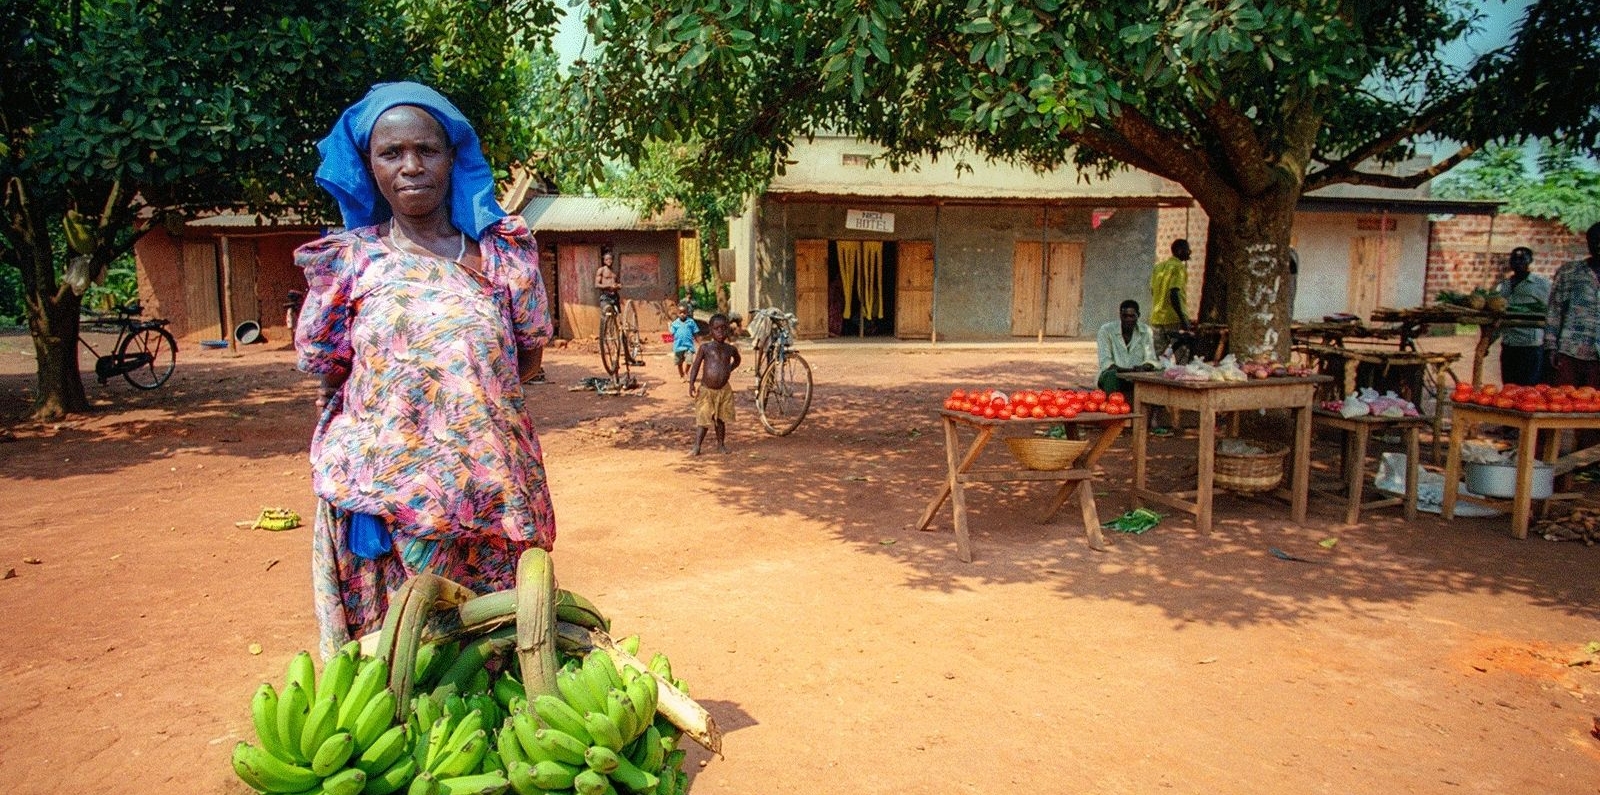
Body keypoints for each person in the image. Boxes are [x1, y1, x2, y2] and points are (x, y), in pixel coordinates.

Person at [295, 82, 556, 659]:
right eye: (391, 153)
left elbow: (528, 353)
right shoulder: (351, 261)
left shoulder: (500, 256)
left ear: (453, 158)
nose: (410, 166)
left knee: (489, 652)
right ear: (369, 166)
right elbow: (327, 366)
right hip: (391, 504)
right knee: (402, 657)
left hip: (490, 496)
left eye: (427, 150)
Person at [1543, 222, 1600, 391]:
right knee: (1564, 402)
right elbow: (1554, 311)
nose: (1599, 245)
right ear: (1587, 243)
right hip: (1570, 351)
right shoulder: (1569, 272)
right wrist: (1551, 347)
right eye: (1595, 241)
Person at [1495, 246, 1550, 386]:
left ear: (1530, 261)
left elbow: (1551, 310)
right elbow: (1498, 317)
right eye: (1514, 259)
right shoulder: (1504, 286)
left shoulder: (1541, 284)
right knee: (1509, 388)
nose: (1517, 262)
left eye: (1522, 259)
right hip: (1509, 345)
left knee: (1529, 390)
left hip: (1530, 346)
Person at [688, 313, 741, 455]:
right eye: (716, 328)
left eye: (724, 328)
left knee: (720, 420)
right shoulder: (705, 348)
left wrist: (729, 369)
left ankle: (721, 445)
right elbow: (696, 366)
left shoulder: (730, 349)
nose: (720, 331)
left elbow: (737, 360)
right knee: (703, 420)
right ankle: (697, 446)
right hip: (706, 391)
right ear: (710, 330)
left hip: (723, 391)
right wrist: (691, 383)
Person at [1096, 299, 1159, 407]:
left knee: (1161, 371)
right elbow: (1106, 362)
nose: (1128, 320)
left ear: (1138, 315)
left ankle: (1153, 415)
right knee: (1111, 375)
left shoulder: (1145, 331)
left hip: (1138, 376)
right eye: (1125, 316)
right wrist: (1128, 372)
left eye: (1132, 316)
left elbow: (1151, 358)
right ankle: (1113, 408)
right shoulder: (1106, 330)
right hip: (1115, 375)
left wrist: (1144, 367)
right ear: (1120, 315)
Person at [1149, 238, 1192, 359]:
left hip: (1157, 317)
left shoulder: (1158, 268)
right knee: (1182, 357)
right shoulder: (1179, 268)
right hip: (1174, 318)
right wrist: (1183, 318)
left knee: (1157, 358)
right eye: (1187, 250)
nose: (1189, 252)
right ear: (1179, 251)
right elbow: (1174, 292)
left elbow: (1152, 290)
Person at [669, 301, 699, 379]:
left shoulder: (691, 322)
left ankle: (686, 372)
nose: (682, 314)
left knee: (689, 361)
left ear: (687, 313)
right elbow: (672, 333)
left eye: (684, 312)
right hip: (678, 346)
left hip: (689, 346)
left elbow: (695, 332)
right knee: (679, 363)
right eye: (680, 313)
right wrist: (670, 327)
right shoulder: (675, 323)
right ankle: (681, 375)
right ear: (678, 313)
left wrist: (698, 341)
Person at [595, 249, 620, 316]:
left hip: (615, 296)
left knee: (616, 315)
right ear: (604, 261)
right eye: (607, 259)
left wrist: (618, 286)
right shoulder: (601, 270)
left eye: (610, 259)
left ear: (612, 260)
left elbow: (618, 283)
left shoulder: (615, 272)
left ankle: (616, 325)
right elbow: (597, 285)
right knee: (605, 315)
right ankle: (604, 326)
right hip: (605, 296)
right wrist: (609, 286)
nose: (609, 261)